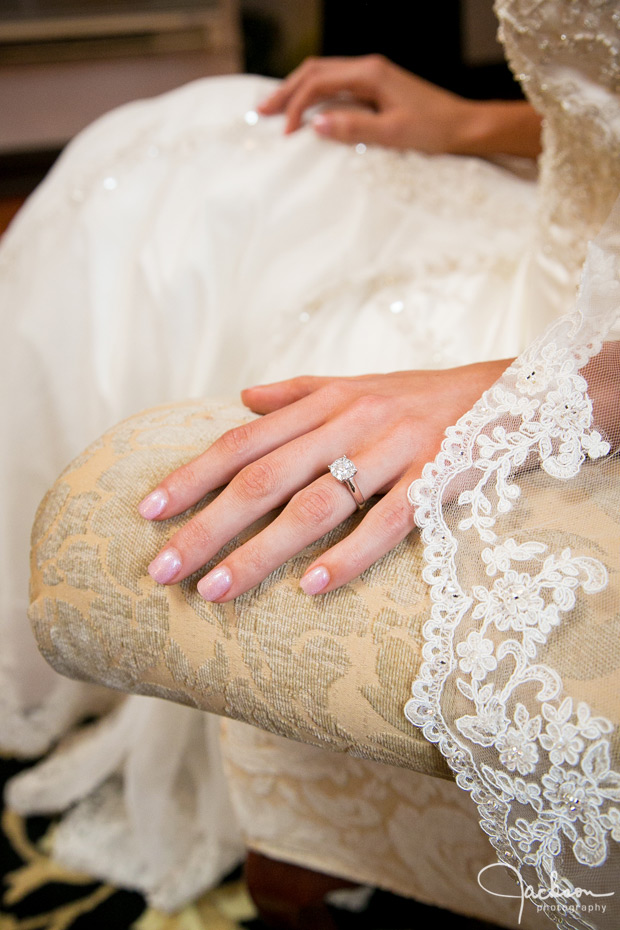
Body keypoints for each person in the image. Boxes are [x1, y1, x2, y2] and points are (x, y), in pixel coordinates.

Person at [2, 0, 619, 926]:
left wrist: (557, 382)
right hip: (571, 232)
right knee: (186, 141)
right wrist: (470, 123)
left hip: (589, 341)